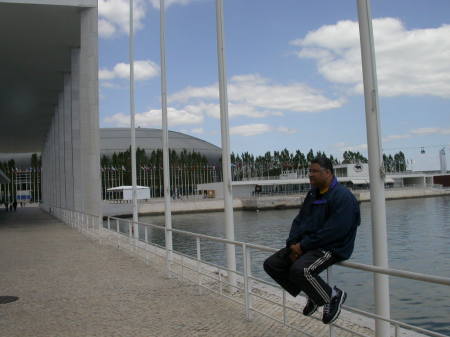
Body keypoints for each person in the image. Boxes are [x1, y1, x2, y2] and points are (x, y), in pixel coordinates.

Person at [263, 157, 360, 325]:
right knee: (272, 264)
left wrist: (302, 246)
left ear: (328, 173)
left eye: (315, 171)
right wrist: (292, 244)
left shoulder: (342, 197)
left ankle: (333, 297)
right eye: (310, 171)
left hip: (333, 247)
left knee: (301, 270)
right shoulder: (313, 194)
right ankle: (315, 295)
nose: (310, 175)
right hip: (308, 244)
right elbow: (299, 220)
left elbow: (335, 231)